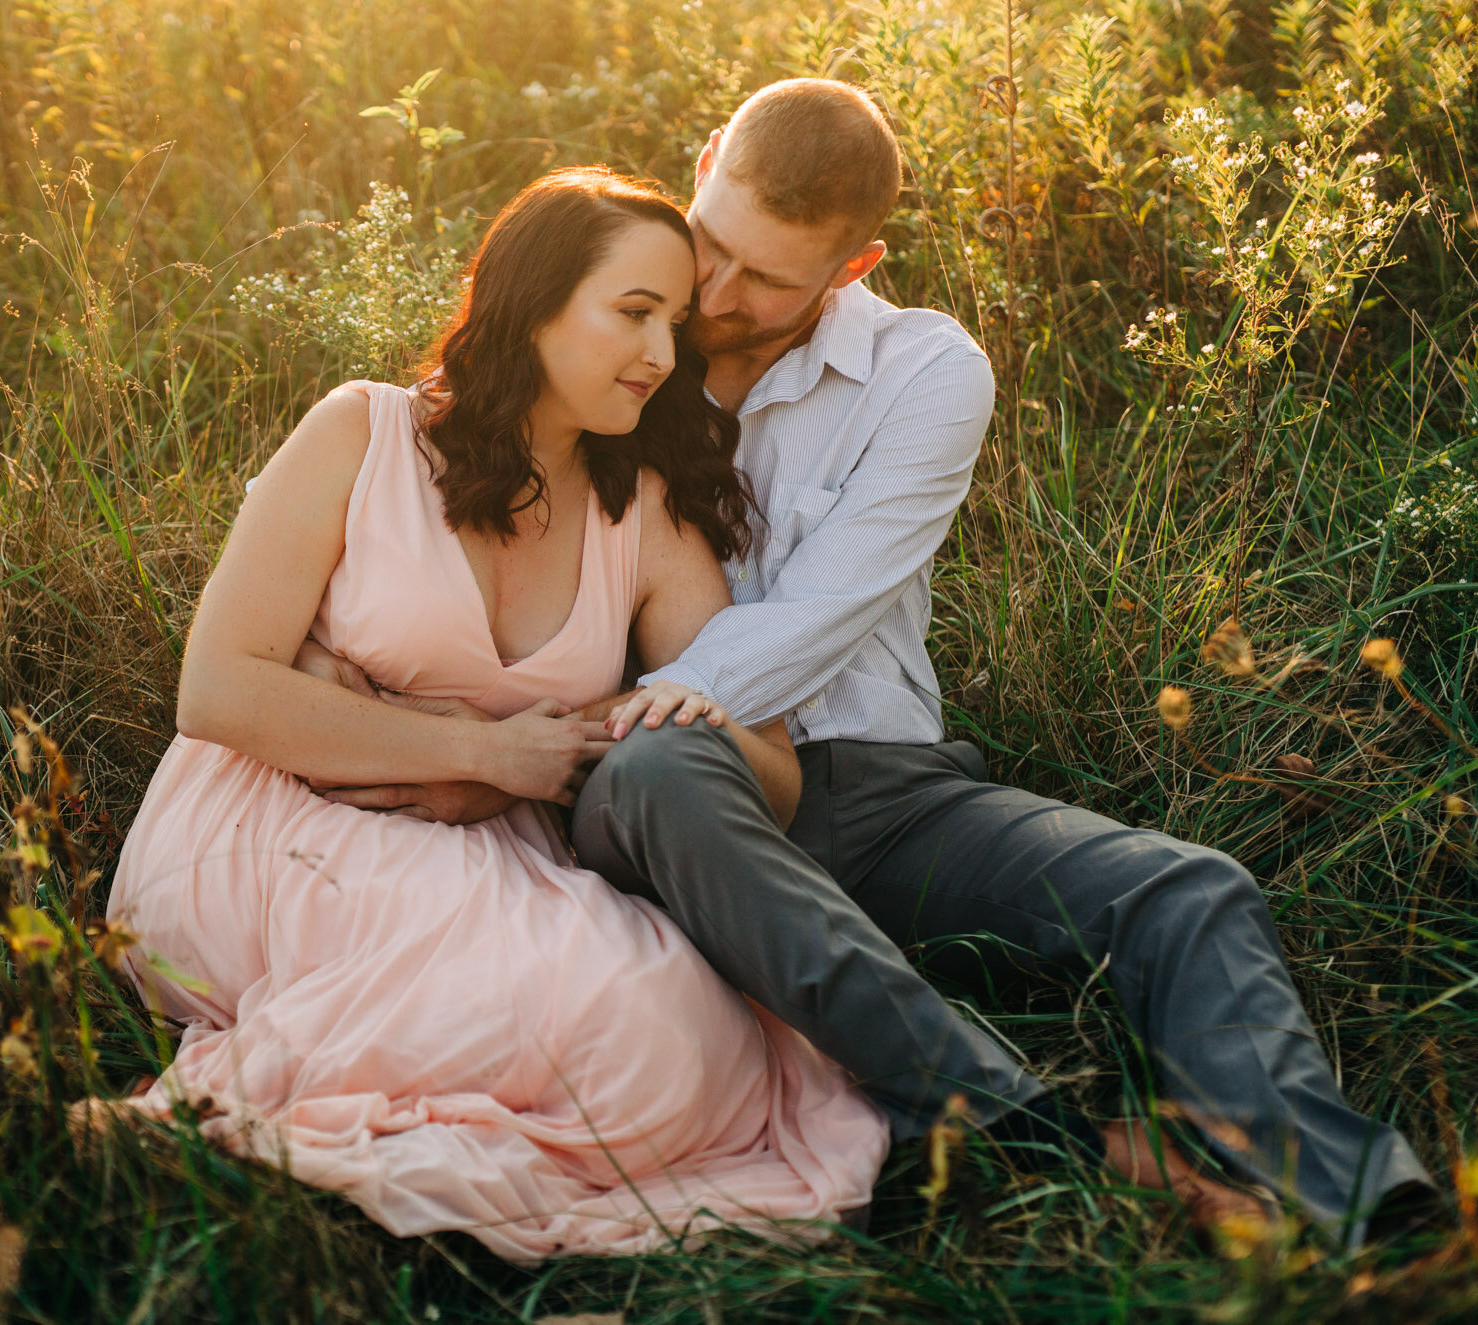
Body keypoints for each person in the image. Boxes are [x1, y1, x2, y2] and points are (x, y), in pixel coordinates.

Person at [309, 79, 1449, 1251]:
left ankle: (1352, 1201)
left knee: (1184, 889)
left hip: (875, 788)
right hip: (657, 792)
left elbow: (818, 612)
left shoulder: (923, 373)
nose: (718, 296)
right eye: (712, 246)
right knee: (666, 771)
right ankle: (1014, 1125)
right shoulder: (623, 332)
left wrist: (526, 756)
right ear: (703, 165)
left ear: (853, 268)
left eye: (771, 280)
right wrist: (495, 746)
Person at [93, 167, 890, 1260]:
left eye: (673, 323)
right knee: (581, 1008)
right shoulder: (360, 436)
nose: (663, 357)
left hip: (493, 842)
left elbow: (767, 759)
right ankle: (230, 1130)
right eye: (632, 313)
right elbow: (220, 688)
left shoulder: (640, 513)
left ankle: (371, 1156)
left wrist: (544, 760)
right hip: (277, 822)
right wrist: (471, 747)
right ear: (533, 302)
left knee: (679, 1029)